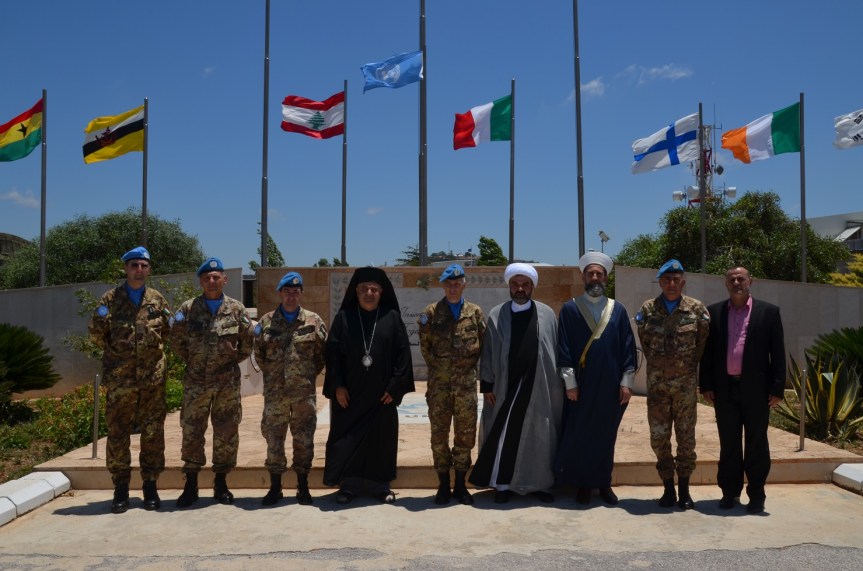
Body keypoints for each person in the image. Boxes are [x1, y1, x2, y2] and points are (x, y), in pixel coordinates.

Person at [469, 263, 562, 504]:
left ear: (532, 287)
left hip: (539, 385)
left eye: (525, 285)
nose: (520, 289)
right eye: (515, 285)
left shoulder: (547, 314)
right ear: (509, 286)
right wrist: (487, 385)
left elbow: (554, 350)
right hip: (505, 387)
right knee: (505, 434)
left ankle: (540, 484)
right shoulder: (497, 314)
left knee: (540, 434)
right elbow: (488, 352)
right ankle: (503, 485)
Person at [88, 246, 172, 513]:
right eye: (135, 265)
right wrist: (120, 356)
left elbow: (167, 333)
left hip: (151, 381)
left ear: (149, 270)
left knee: (153, 433)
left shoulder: (157, 300)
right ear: (125, 268)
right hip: (120, 380)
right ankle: (121, 489)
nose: (139, 270)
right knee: (118, 434)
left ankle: (150, 486)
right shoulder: (110, 300)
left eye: (144, 266)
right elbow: (97, 335)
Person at [323, 267, 415, 504]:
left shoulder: (391, 318)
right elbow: (332, 355)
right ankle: (349, 485)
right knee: (347, 439)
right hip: (350, 395)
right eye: (364, 289)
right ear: (356, 291)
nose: (369, 293)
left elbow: (403, 355)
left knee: (381, 441)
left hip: (381, 395)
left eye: (374, 289)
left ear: (381, 292)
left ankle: (379, 485)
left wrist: (395, 388)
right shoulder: (344, 318)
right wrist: (338, 386)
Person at [699, 266, 786, 514]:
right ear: (726, 283)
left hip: (756, 390)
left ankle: (756, 495)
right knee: (729, 444)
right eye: (732, 279)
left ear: (751, 282)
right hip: (724, 390)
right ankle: (729, 493)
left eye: (741, 278)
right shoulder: (714, 312)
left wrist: (777, 387)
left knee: (756, 443)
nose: (736, 282)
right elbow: (708, 353)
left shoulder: (768, 312)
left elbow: (777, 352)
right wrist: (706, 384)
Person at [555, 252, 636, 506]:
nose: (595, 277)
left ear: (606, 278)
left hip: (611, 385)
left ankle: (603, 483)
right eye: (590, 273)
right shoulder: (570, 309)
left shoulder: (618, 310)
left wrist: (626, 382)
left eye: (599, 273)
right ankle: (582, 484)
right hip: (581, 385)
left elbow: (627, 348)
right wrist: (570, 384)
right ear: (583, 277)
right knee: (581, 433)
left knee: (605, 434)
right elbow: (564, 349)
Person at [172, 257, 254, 507]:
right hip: (196, 383)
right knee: (192, 431)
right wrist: (197, 363)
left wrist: (229, 360)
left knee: (226, 433)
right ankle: (191, 484)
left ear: (224, 280)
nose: (211, 281)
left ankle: (221, 482)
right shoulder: (187, 309)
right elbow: (177, 343)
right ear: (200, 281)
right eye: (206, 277)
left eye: (216, 277)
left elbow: (248, 343)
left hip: (226, 383)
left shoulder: (237, 309)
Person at [636, 259, 709, 509]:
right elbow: (645, 342)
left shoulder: (696, 309)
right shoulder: (648, 309)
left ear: (683, 282)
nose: (671, 283)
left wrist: (684, 370)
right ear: (660, 282)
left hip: (685, 388)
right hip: (657, 389)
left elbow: (701, 344)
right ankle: (668, 489)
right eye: (666, 279)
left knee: (686, 439)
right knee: (659, 439)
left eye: (676, 279)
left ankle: (685, 491)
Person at [254, 271, 327, 506]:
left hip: (303, 394)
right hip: (275, 394)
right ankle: (275, 488)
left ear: (301, 294)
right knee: (274, 439)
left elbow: (320, 356)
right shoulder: (266, 322)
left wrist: (303, 376)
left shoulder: (313, 321)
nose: (291, 296)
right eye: (287, 292)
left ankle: (303, 487)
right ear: (280, 293)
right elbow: (260, 356)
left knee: (304, 439)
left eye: (296, 292)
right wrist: (277, 377)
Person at [418, 264, 486, 505]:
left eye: (457, 283)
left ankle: (460, 484)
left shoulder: (475, 313)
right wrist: (444, 372)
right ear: (443, 286)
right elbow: (425, 348)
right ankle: (443, 484)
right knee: (439, 436)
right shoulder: (432, 313)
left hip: (466, 387)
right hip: (440, 388)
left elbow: (483, 345)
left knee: (465, 436)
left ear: (464, 284)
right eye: (449, 283)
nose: (453, 287)